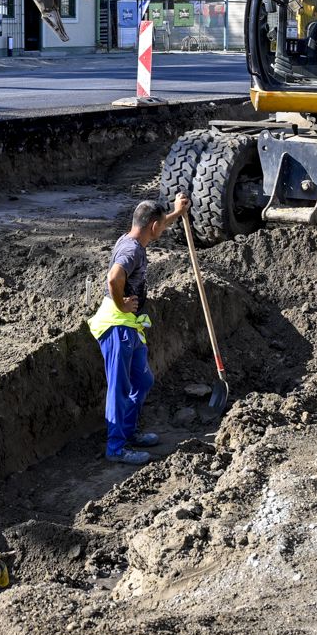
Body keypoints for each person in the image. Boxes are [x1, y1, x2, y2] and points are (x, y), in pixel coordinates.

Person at [89, 193, 189, 465]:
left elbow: (159, 222)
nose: (162, 228)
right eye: (161, 224)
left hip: (131, 327)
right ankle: (116, 448)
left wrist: (177, 213)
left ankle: (128, 432)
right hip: (117, 326)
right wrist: (121, 304)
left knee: (142, 381)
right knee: (119, 388)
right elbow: (113, 278)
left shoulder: (133, 237)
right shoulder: (131, 250)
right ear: (152, 227)